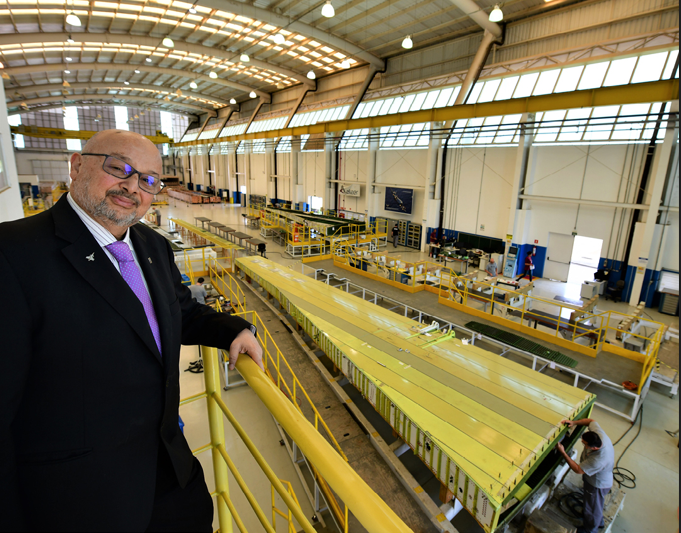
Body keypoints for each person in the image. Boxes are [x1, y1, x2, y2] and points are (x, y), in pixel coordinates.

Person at [0, 129, 264, 532]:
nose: (132, 185)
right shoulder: (14, 255)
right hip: (82, 498)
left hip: (170, 470)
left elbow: (179, 310)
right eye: (117, 167)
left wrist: (231, 329)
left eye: (148, 179)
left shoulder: (151, 245)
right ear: (76, 166)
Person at [556, 418, 614, 533]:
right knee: (594, 505)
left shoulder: (598, 460)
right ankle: (598, 522)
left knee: (592, 507)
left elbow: (578, 469)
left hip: (597, 484)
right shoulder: (598, 435)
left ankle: (591, 530)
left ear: (594, 448)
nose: (583, 445)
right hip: (596, 479)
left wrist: (563, 453)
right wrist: (574, 423)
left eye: (585, 444)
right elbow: (591, 421)